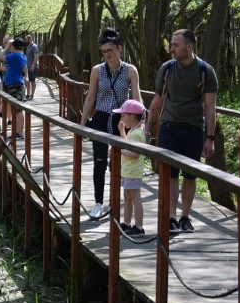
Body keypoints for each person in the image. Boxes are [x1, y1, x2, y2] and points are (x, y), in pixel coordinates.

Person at [147, 29, 218, 234]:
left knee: (189, 176)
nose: (171, 48)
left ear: (189, 47)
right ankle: (170, 217)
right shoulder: (167, 68)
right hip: (169, 127)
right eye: (171, 44)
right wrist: (146, 126)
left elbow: (210, 106)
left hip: (194, 128)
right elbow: (158, 99)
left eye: (176, 45)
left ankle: (185, 216)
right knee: (169, 174)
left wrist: (210, 138)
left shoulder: (205, 70)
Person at [80, 28, 141, 219]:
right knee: (99, 162)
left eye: (110, 51)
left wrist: (141, 123)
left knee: (117, 162)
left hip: (119, 120)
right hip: (99, 118)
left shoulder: (130, 71)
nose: (107, 55)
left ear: (119, 49)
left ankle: (114, 202)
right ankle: (98, 202)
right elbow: (91, 97)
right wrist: (82, 124)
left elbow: (137, 98)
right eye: (104, 51)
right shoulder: (97, 70)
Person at [113, 99, 147, 236]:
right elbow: (127, 145)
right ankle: (126, 223)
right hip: (127, 171)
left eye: (123, 116)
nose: (121, 118)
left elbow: (135, 154)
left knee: (135, 198)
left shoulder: (138, 134)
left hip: (133, 171)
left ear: (132, 116)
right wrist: (122, 132)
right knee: (127, 197)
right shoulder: (132, 131)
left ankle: (139, 227)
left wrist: (118, 150)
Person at [0, 38, 27, 139]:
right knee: (16, 109)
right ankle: (17, 132)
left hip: (15, 85)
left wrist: (7, 46)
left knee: (18, 110)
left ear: (13, 46)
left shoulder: (15, 56)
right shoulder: (22, 56)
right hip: (14, 85)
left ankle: (19, 133)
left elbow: (1, 57)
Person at [24, 34, 40, 101]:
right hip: (28, 66)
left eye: (26, 39)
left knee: (32, 81)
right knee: (28, 81)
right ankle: (28, 94)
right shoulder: (28, 47)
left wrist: (33, 65)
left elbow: (36, 56)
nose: (25, 41)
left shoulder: (34, 46)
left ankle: (32, 95)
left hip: (32, 66)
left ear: (29, 39)